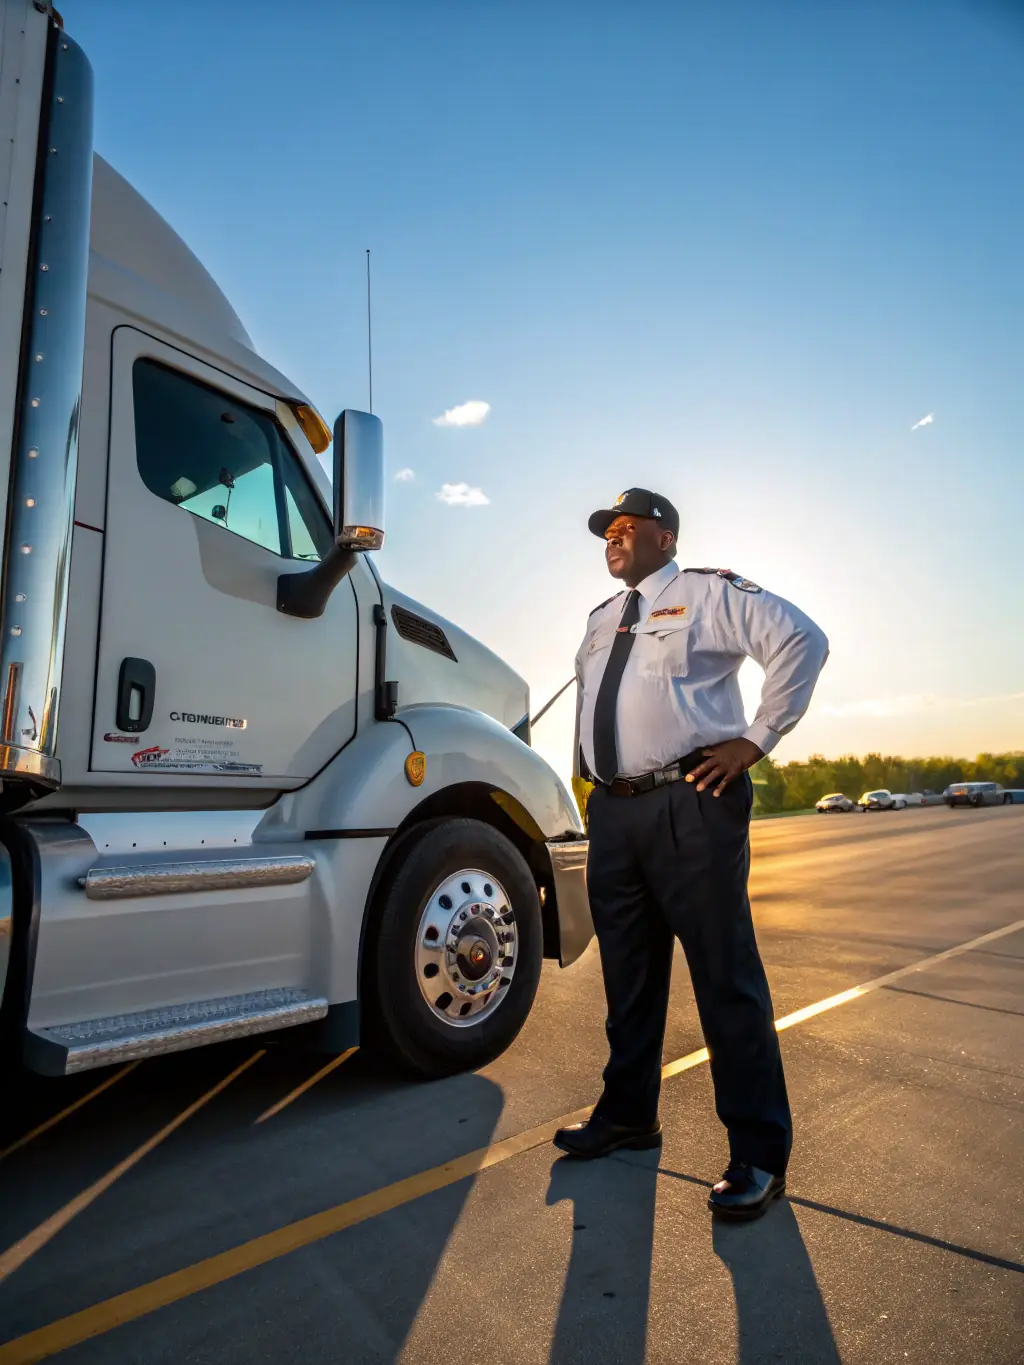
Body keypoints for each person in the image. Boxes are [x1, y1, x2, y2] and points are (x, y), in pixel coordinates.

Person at [554, 488, 829, 1221]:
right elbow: (593, 708)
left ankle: (760, 1155)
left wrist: (756, 739)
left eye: (626, 527)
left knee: (724, 977)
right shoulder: (599, 620)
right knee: (629, 978)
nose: (611, 538)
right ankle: (629, 1115)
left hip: (691, 802)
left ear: (665, 538)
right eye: (604, 531)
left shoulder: (705, 593)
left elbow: (804, 639)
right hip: (614, 810)